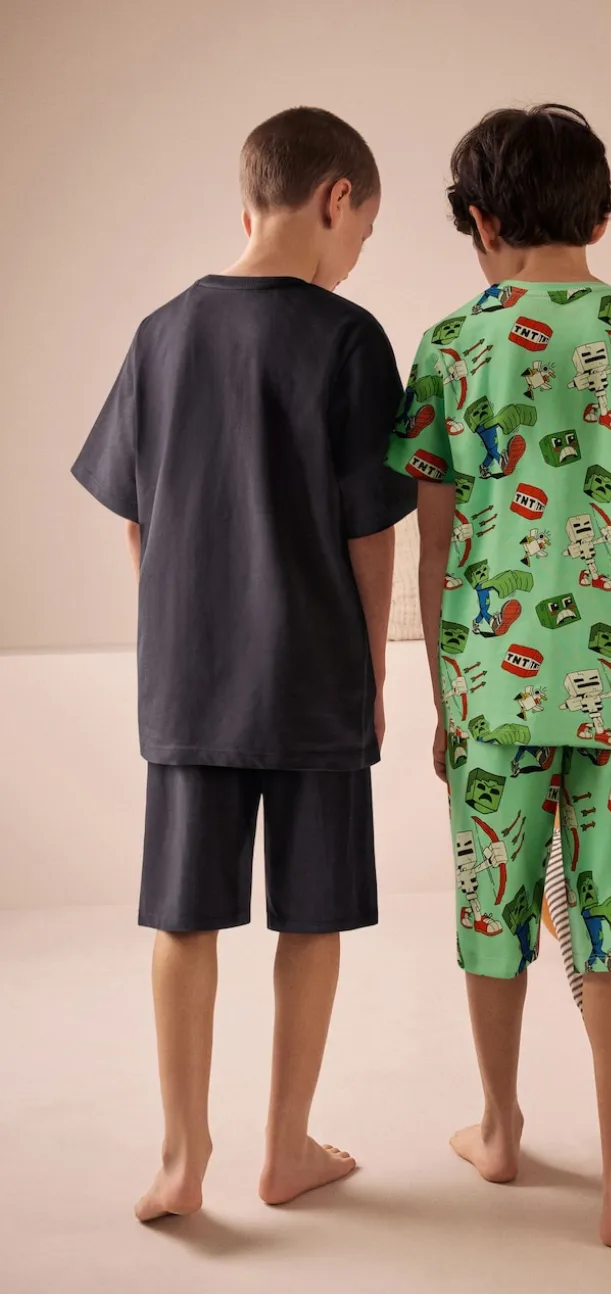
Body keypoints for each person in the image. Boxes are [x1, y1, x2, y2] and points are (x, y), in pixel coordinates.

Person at [386, 104, 611, 1248]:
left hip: (491, 682)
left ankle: (497, 1127)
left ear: (482, 221)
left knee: (494, 912)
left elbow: (436, 549)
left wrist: (445, 700)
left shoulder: (451, 345)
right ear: (602, 215)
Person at [72, 107, 415, 1220]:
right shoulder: (350, 339)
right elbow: (372, 532)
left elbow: (136, 513)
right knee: (310, 916)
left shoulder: (161, 332)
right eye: (364, 231)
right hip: (313, 674)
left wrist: (176, 629)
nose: (357, 256)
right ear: (334, 199)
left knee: (184, 916)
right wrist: (374, 669)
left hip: (191, 676)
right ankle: (285, 1148)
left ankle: (182, 1159)